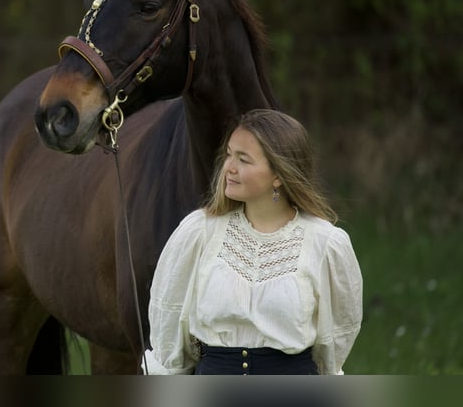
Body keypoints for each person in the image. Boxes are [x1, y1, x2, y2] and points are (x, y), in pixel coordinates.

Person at [143, 109, 363, 375]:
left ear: (278, 175)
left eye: (244, 159)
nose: (229, 168)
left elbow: (336, 340)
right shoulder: (199, 233)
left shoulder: (324, 243)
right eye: (228, 154)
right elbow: (169, 320)